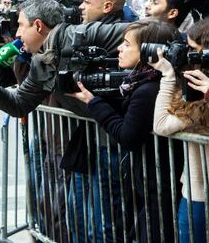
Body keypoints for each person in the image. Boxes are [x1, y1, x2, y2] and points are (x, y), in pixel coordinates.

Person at [0, 0, 129, 242]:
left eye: (21, 26)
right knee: (77, 220)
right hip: (88, 144)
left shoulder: (84, 33)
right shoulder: (40, 60)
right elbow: (20, 103)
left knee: (103, 227)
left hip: (117, 146)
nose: (17, 34)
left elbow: (145, 32)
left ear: (38, 26)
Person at [70, 19, 182, 242]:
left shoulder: (148, 89)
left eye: (127, 44)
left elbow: (129, 136)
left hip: (157, 185)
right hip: (153, 183)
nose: (119, 48)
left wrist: (94, 103)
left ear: (150, 51)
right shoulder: (143, 82)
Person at [151, 18, 209, 243]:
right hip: (195, 191)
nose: (188, 57)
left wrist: (168, 77)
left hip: (200, 196)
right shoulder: (196, 94)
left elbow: (161, 125)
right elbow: (162, 126)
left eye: (194, 50)